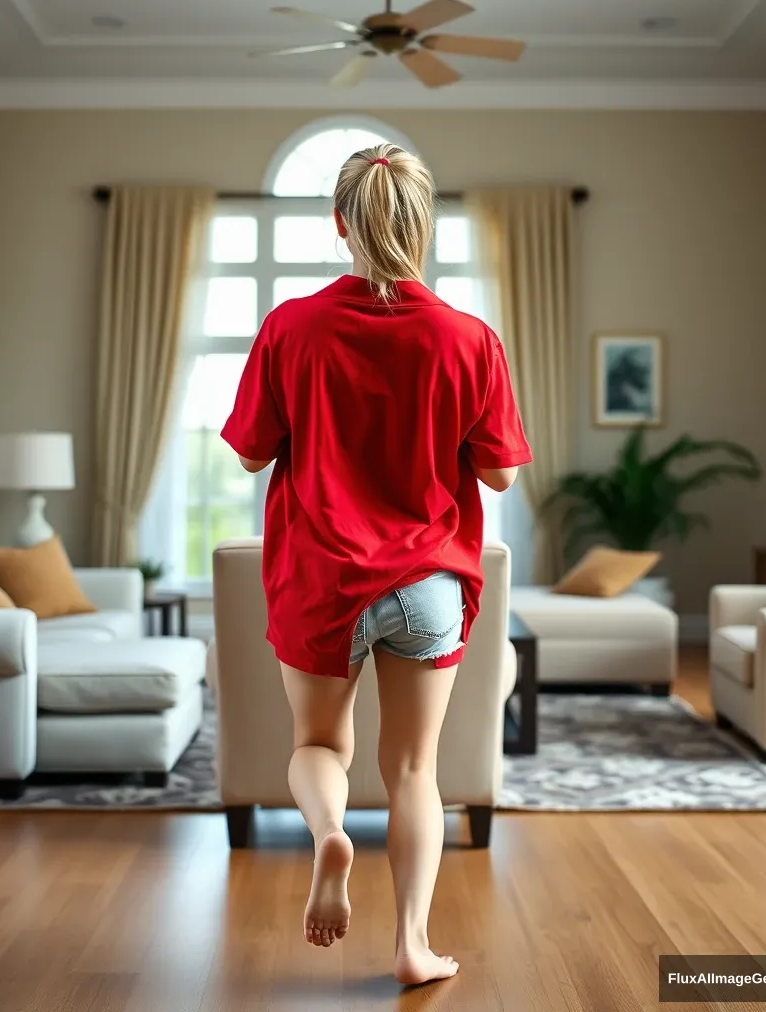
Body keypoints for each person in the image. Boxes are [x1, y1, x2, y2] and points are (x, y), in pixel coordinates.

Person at [221, 143, 531, 986]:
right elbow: (501, 472)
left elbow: (251, 457)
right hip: (428, 581)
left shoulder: (290, 326)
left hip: (323, 579)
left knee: (319, 743)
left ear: (340, 223)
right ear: (423, 222)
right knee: (415, 770)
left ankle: (328, 834)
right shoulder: (471, 338)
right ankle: (412, 947)